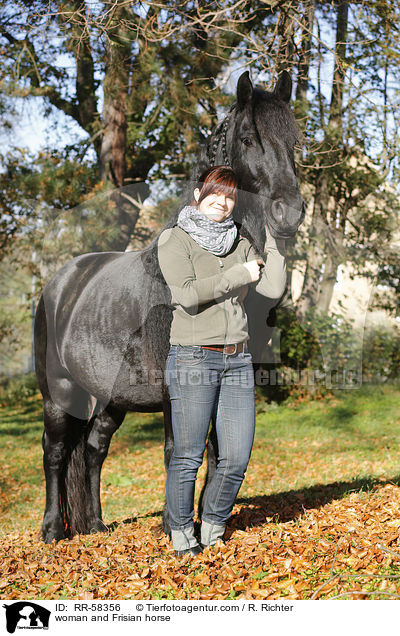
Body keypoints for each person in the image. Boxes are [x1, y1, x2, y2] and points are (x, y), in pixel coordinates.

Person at [157, 165, 286, 556]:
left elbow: (272, 285)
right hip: (193, 359)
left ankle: (212, 527)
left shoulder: (240, 243)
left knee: (235, 456)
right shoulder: (174, 239)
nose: (223, 202)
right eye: (216, 193)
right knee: (189, 456)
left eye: (230, 197)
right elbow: (187, 294)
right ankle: (181, 534)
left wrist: (275, 239)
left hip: (237, 362)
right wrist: (237, 275)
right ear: (199, 193)